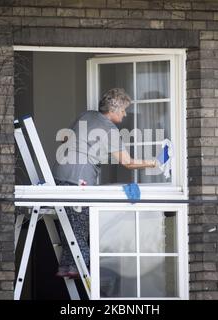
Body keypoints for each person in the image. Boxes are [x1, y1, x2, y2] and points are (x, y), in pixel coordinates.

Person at [53, 88, 158, 278]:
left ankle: (66, 267)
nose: (125, 114)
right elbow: (128, 163)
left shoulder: (86, 115)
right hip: (79, 179)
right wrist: (154, 163)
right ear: (113, 110)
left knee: (68, 221)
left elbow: (66, 138)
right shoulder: (110, 130)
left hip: (60, 172)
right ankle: (79, 266)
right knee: (81, 225)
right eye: (123, 110)